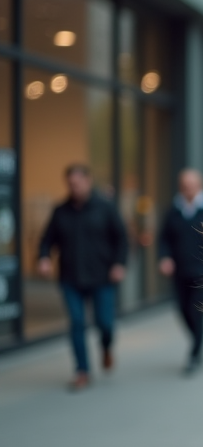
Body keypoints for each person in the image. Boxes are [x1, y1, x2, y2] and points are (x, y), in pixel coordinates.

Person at [37, 163, 128, 390]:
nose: (73, 187)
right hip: (70, 278)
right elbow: (47, 240)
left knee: (104, 324)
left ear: (88, 181)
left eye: (77, 183)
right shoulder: (60, 211)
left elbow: (122, 239)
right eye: (70, 184)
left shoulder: (105, 208)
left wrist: (119, 264)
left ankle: (106, 346)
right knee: (77, 323)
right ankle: (82, 371)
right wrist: (44, 257)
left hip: (102, 277)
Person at [159, 168, 203, 374]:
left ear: (199, 186)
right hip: (180, 271)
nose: (188, 189)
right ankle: (198, 339)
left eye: (191, 186)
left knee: (196, 311)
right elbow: (165, 238)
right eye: (184, 186)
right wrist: (165, 257)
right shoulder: (174, 211)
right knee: (183, 310)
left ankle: (195, 353)